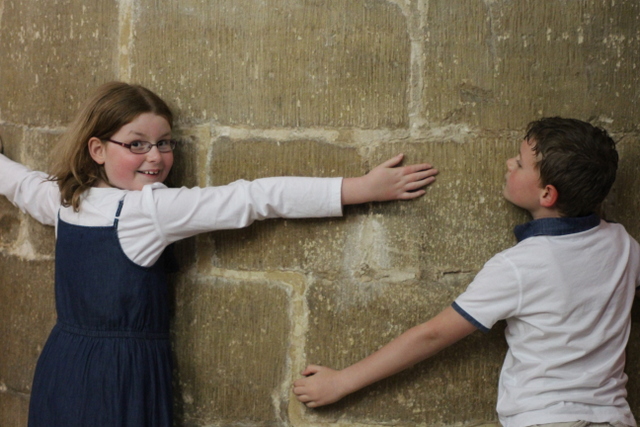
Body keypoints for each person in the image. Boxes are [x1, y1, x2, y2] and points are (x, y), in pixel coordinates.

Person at [0, 81, 439, 427]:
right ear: (97, 149)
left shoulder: (65, 199)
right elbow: (256, 197)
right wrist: (361, 188)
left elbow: (21, 184)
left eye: (164, 143)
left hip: (64, 363)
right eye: (137, 144)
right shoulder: (149, 209)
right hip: (122, 375)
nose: (156, 157)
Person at [293, 117, 640, 427]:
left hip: (547, 417)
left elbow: (432, 335)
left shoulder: (520, 265)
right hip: (615, 417)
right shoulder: (623, 245)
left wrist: (341, 382)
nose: (509, 163)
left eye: (520, 164)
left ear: (547, 194)